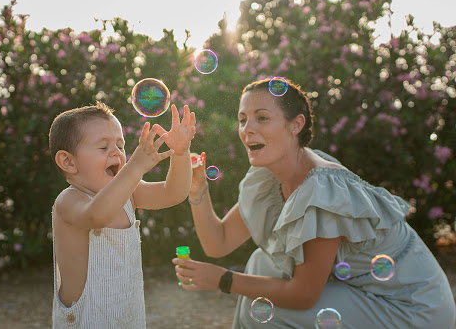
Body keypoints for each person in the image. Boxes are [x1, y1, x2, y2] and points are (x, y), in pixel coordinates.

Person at [172, 78, 456, 328]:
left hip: (411, 308)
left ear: (296, 124)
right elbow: (218, 243)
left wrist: (224, 280)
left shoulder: (322, 189)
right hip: (370, 294)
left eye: (262, 117)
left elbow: (304, 295)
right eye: (243, 118)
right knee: (261, 264)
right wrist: (198, 192)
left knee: (257, 304)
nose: (248, 129)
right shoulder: (271, 176)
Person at [49, 101, 195, 328]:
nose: (116, 152)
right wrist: (135, 166)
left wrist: (180, 152)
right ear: (68, 161)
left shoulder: (130, 194)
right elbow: (96, 216)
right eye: (103, 147)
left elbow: (173, 193)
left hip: (128, 318)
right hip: (87, 322)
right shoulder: (69, 201)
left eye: (120, 145)